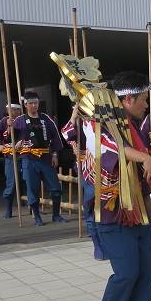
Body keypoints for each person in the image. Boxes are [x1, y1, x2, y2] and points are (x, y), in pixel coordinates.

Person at [91, 71, 151, 301]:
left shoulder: (134, 126)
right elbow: (108, 147)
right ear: (128, 99)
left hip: (139, 210)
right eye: (144, 100)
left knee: (147, 271)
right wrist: (145, 157)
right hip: (113, 211)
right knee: (127, 271)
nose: (147, 105)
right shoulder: (97, 124)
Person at [12, 91, 66, 226]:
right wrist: (15, 144)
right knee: (33, 189)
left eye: (36, 102)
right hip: (28, 158)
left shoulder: (46, 118)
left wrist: (54, 154)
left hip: (46, 157)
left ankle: (56, 215)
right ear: (25, 104)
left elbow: (55, 136)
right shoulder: (19, 121)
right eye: (31, 103)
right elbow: (10, 139)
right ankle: (37, 217)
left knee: (55, 188)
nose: (34, 105)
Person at [61, 105, 104, 260]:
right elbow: (66, 133)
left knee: (109, 206)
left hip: (108, 166)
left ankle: (110, 242)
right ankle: (98, 244)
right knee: (91, 206)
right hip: (87, 168)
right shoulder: (77, 124)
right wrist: (74, 116)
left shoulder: (104, 119)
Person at [0, 103, 23, 218]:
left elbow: (28, 134)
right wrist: (0, 144)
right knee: (11, 183)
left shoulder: (24, 119)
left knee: (27, 181)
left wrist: (22, 140)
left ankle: (32, 207)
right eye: (9, 109)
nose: (10, 111)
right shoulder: (4, 121)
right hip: (10, 156)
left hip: (25, 154)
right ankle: (8, 208)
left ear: (18, 111)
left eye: (13, 110)